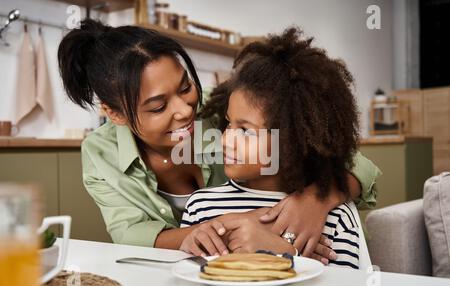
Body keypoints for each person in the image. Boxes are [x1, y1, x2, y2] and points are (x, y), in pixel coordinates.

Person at [57, 20, 381, 262]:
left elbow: (348, 159)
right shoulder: (101, 153)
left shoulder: (222, 106)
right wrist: (233, 226)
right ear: (115, 114)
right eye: (158, 106)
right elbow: (131, 236)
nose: (186, 111)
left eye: (185, 87)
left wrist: (314, 201)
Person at [180, 27, 364, 268]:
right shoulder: (201, 207)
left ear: (293, 141)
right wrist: (187, 251)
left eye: (245, 131)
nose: (224, 140)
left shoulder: (335, 218)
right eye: (228, 124)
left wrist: (283, 254)